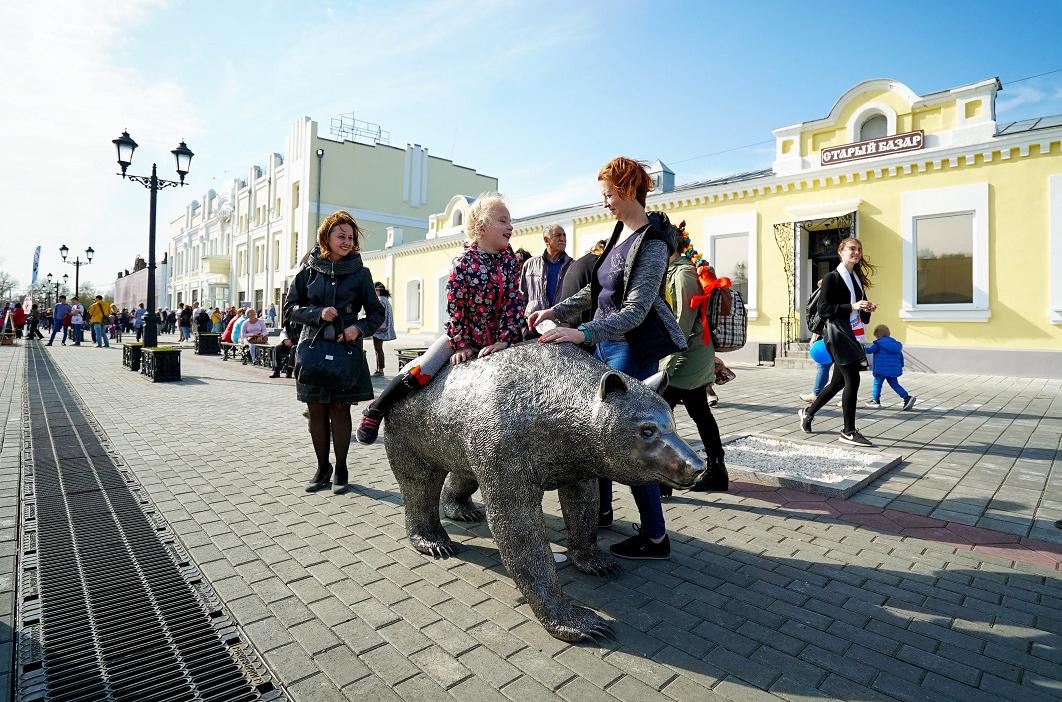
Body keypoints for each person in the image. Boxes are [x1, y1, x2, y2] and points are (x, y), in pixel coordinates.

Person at [531, 157, 687, 560]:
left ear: (628, 190)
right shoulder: (621, 233)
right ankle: (600, 512)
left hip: (629, 351)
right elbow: (596, 295)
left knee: (633, 444)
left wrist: (580, 332)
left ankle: (655, 536)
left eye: (608, 195)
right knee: (600, 432)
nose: (605, 204)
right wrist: (555, 311)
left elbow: (635, 310)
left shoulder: (651, 244)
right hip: (605, 346)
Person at [356, 192, 525, 445]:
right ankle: (376, 409)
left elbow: (514, 300)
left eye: (510, 221)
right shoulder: (463, 263)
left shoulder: (510, 262)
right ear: (481, 227)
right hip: (465, 334)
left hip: (501, 337)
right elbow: (456, 308)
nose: (510, 226)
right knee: (425, 368)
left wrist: (505, 339)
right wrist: (461, 344)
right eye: (502, 220)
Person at [286, 210, 383, 494]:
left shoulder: (361, 273)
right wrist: (317, 313)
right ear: (326, 237)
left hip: (346, 351)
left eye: (351, 237)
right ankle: (322, 466)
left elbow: (376, 313)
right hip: (313, 351)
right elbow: (290, 309)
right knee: (316, 410)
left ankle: (341, 467)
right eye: (340, 236)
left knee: (340, 409)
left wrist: (358, 328)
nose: (347, 241)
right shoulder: (308, 271)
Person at [659, 227, 729, 495]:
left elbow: (683, 320)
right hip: (689, 353)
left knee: (664, 413)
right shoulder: (675, 269)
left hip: (689, 355)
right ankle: (716, 471)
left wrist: (668, 362)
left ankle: (667, 478)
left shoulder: (684, 272)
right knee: (699, 411)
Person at [799, 237, 877, 447]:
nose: (856, 252)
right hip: (837, 335)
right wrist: (852, 306)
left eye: (859, 249)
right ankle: (848, 431)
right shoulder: (832, 277)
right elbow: (824, 310)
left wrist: (866, 309)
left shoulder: (857, 280)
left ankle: (808, 412)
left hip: (851, 334)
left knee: (837, 383)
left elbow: (860, 313)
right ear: (841, 252)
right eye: (852, 249)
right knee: (852, 380)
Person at [520, 224, 574, 320]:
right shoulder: (530, 265)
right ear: (546, 240)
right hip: (534, 323)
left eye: (564, 235)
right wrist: (523, 326)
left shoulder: (573, 265)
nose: (563, 239)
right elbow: (521, 297)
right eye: (558, 235)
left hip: (562, 324)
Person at [864, 324, 916, 410]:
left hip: (881, 370)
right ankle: (907, 397)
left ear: (878, 335)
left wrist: (861, 347)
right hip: (893, 370)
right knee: (894, 384)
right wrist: (900, 366)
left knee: (877, 384)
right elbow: (900, 356)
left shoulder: (878, 344)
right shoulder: (896, 344)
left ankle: (876, 400)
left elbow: (869, 350)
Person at [371, 282, 396, 376]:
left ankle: (380, 370)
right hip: (384, 328)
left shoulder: (380, 300)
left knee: (378, 349)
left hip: (379, 329)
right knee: (379, 349)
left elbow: (379, 315)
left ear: (377, 290)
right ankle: (379, 368)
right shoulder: (386, 300)